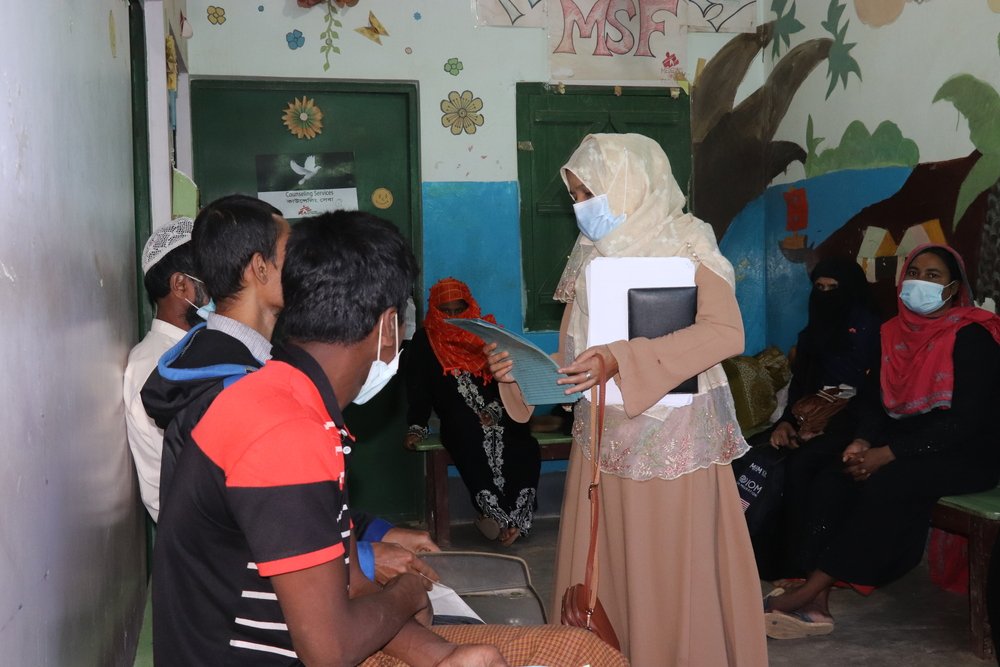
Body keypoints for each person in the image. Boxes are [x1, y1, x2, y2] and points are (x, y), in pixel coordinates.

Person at [152, 210, 629, 667]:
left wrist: (441, 656)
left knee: (573, 652)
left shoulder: (290, 399)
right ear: (387, 327)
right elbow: (332, 650)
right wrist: (407, 594)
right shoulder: (284, 432)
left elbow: (351, 582)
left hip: (307, 644)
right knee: (587, 658)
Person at [488, 133, 768, 665]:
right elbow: (573, 363)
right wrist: (517, 374)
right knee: (606, 576)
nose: (579, 209)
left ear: (629, 182)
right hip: (603, 455)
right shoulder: (590, 258)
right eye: (574, 197)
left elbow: (726, 333)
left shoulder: (689, 243)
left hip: (676, 450)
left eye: (586, 193)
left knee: (672, 573)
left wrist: (624, 357)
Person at [141, 194, 436, 583]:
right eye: (291, 252)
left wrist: (375, 532)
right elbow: (245, 528)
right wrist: (363, 559)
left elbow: (294, 500)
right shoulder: (230, 388)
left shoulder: (259, 360)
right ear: (259, 269)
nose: (304, 265)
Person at [764, 244, 1000, 639]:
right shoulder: (894, 332)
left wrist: (887, 454)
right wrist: (861, 441)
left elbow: (966, 422)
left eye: (933, 276)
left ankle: (811, 590)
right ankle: (817, 606)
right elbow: (873, 401)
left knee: (888, 482)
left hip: (968, 451)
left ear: (953, 287)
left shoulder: (972, 336)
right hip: (908, 442)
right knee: (831, 477)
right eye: (914, 273)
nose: (920, 282)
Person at [742, 258, 881, 579]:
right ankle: (760, 557)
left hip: (857, 422)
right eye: (820, 288)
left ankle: (800, 564)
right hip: (810, 416)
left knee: (802, 465)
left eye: (834, 289)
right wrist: (786, 423)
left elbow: (873, 393)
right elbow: (802, 387)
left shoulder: (872, 330)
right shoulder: (812, 335)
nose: (826, 295)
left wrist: (838, 428)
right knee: (755, 453)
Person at [403, 278, 540, 546]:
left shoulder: (487, 334)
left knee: (524, 443)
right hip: (458, 418)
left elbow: (507, 381)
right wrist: (416, 426)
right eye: (446, 311)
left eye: (458, 309)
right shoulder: (424, 340)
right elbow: (418, 389)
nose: (454, 317)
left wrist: (494, 410)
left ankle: (518, 518)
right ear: (435, 310)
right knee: (467, 435)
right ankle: (495, 515)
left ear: (470, 305)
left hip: (498, 412)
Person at [123, 216, 212, 521]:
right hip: (197, 535)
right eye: (211, 278)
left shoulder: (197, 349)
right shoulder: (153, 363)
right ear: (180, 285)